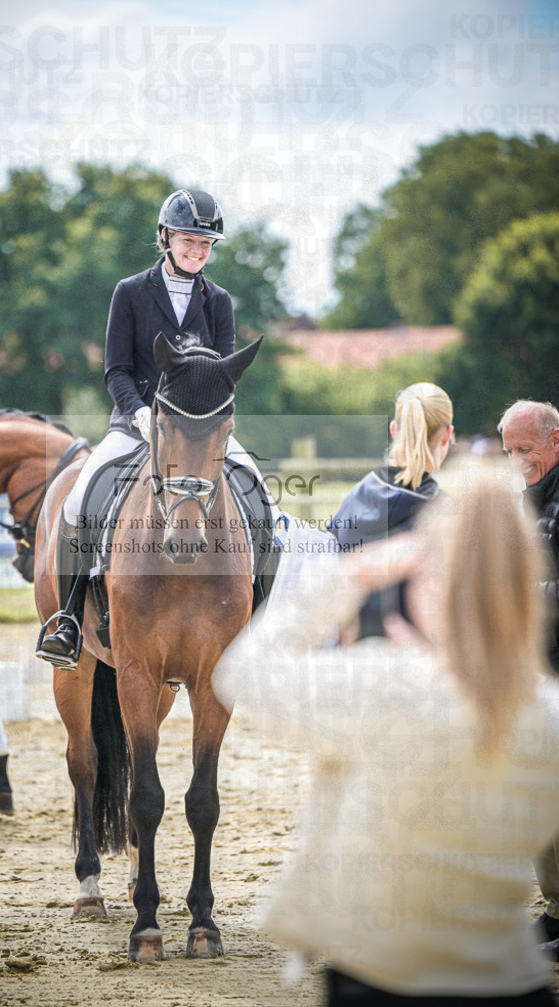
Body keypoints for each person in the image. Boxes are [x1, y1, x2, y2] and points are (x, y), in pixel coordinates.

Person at [213, 463, 559, 1006]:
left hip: (386, 979)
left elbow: (241, 675)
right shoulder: (548, 712)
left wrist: (349, 575)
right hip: (517, 980)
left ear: (430, 581)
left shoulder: (386, 684)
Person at [37, 187, 272, 667]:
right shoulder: (130, 292)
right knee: (79, 501)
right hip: (135, 423)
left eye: (205, 244)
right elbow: (116, 369)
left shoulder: (219, 301)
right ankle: (68, 620)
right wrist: (140, 413)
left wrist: (211, 421)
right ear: (165, 237)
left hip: (198, 431)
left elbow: (223, 374)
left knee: (261, 497)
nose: (197, 251)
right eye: (189, 241)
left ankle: (261, 624)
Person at [499, 399, 559, 952]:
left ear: (555, 440)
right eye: (509, 451)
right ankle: (557, 908)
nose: (517, 460)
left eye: (526, 448)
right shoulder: (527, 498)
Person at [330, 381, 453, 636]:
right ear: (447, 435)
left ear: (394, 430)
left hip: (352, 649)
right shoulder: (451, 514)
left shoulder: (355, 497)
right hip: (417, 650)